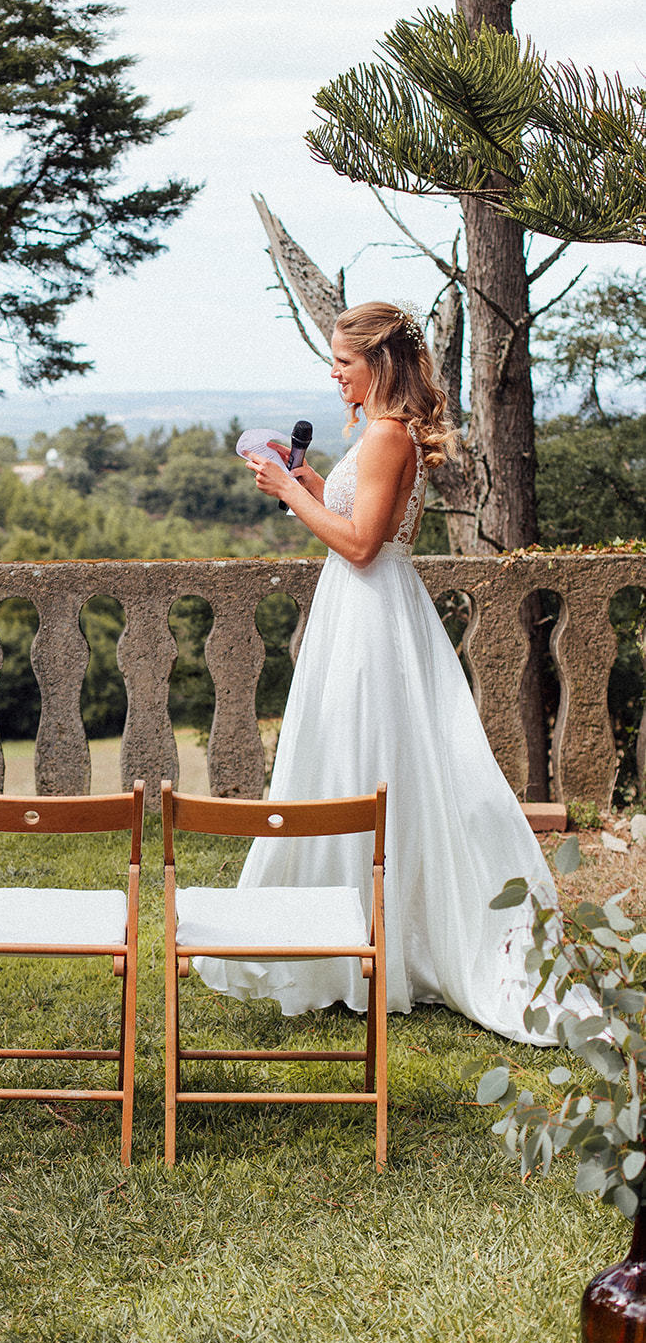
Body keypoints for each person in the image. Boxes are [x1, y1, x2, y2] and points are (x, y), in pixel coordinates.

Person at [196, 301, 558, 1044]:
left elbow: (361, 545)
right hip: (356, 611)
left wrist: (291, 494)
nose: (333, 375)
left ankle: (381, 941)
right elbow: (360, 511)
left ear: (379, 365)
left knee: (369, 760)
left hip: (370, 610)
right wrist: (308, 479)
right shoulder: (376, 434)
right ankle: (342, 930)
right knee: (342, 755)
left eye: (343, 363)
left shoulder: (388, 434)